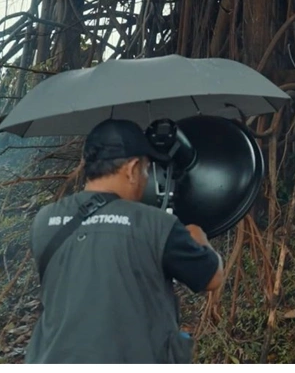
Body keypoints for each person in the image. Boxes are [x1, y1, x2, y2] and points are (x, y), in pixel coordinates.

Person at [26, 118, 225, 364]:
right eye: (145, 170)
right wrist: (200, 240)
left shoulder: (44, 221)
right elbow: (212, 278)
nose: (145, 179)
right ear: (131, 169)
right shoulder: (155, 224)